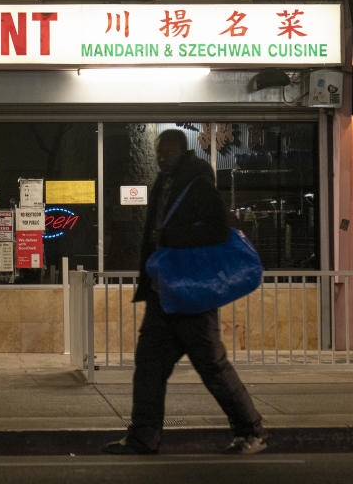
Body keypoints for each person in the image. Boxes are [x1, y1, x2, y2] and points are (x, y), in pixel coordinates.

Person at [103, 129, 268, 456]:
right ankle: (142, 437)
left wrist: (173, 238)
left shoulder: (197, 184)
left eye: (168, 151)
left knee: (213, 368)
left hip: (191, 296)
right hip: (163, 294)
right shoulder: (163, 184)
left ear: (182, 151)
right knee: (149, 368)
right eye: (159, 151)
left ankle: (251, 431)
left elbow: (218, 229)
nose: (162, 157)